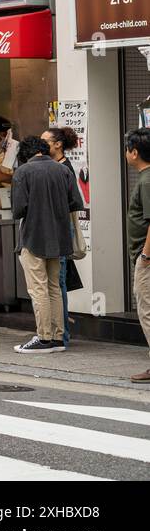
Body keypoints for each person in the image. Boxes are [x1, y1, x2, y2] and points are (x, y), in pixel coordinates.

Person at [10, 135, 85, 355]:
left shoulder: (23, 173)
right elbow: (75, 203)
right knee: (54, 288)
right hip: (60, 238)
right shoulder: (62, 170)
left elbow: (18, 209)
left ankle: (43, 337)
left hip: (33, 237)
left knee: (38, 289)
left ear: (25, 153)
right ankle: (58, 337)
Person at [42, 126, 83, 349]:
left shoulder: (64, 168)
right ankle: (56, 332)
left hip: (60, 228)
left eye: (45, 141)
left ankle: (61, 334)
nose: (42, 145)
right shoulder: (52, 166)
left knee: (58, 282)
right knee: (56, 281)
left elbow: (75, 201)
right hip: (56, 227)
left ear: (58, 144)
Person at [125, 128, 150, 383]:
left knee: (147, 310)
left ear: (134, 152)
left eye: (127, 149)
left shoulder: (147, 181)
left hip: (147, 259)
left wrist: (145, 256)